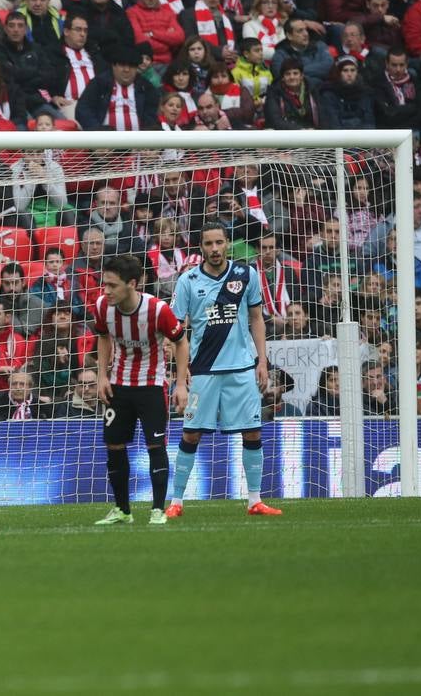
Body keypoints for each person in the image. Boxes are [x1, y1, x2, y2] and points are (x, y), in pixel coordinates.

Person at [167, 221, 282, 518]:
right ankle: (176, 501)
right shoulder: (188, 280)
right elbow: (177, 331)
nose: (215, 249)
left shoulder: (246, 274)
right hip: (203, 370)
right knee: (191, 435)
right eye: (208, 244)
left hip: (242, 369)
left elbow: (257, 318)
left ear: (228, 243)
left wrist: (261, 360)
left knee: (253, 432)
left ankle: (254, 500)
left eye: (219, 242)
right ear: (201, 247)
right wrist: (181, 374)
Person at [91, 254, 186, 527]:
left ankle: (157, 510)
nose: (106, 291)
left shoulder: (158, 310)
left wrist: (180, 384)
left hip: (151, 386)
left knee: (155, 445)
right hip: (119, 385)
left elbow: (181, 342)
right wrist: (102, 376)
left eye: (112, 285)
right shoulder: (101, 306)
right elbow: (103, 337)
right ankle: (122, 510)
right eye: (104, 284)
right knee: (114, 445)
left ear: (132, 283)